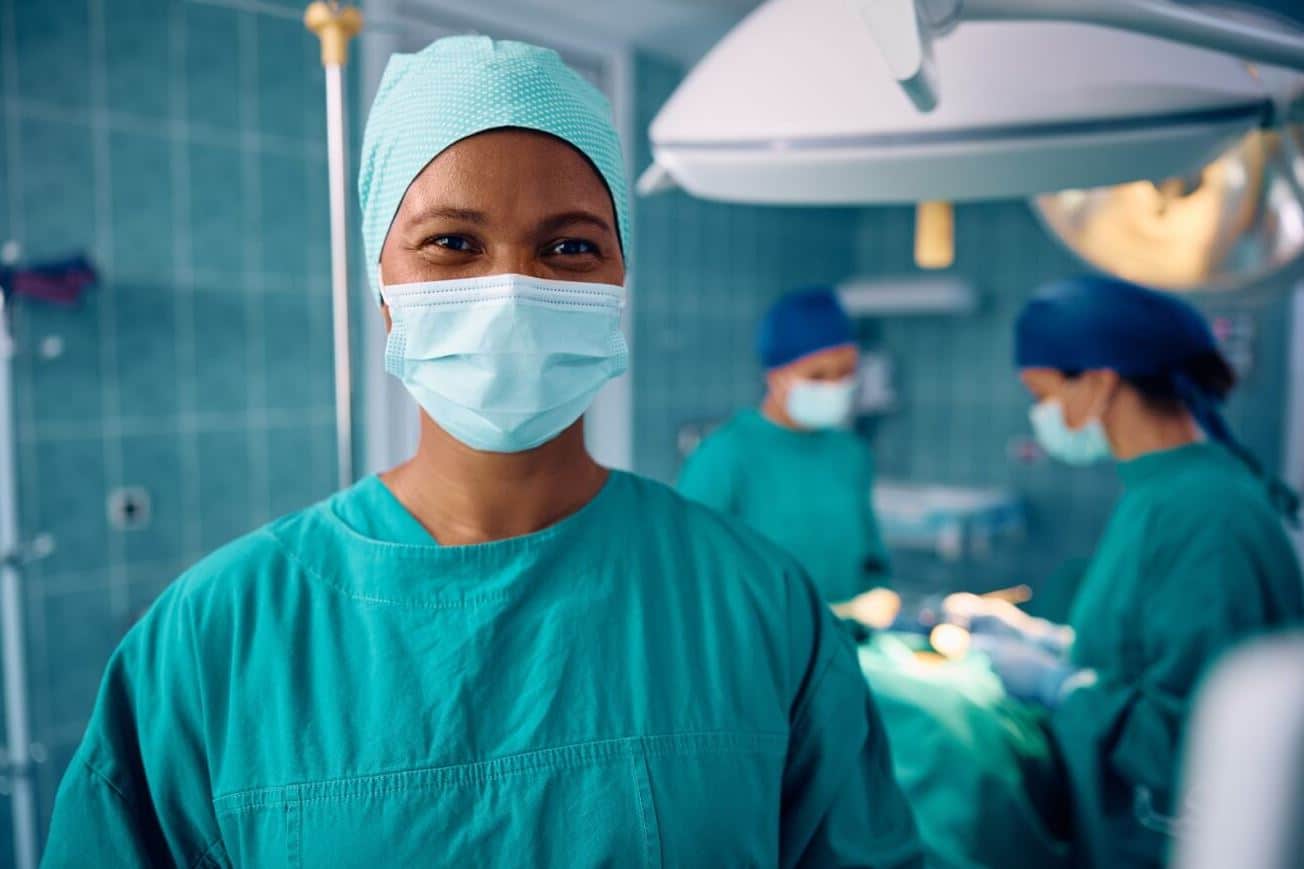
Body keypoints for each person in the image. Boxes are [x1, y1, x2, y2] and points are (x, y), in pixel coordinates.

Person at [41, 36, 922, 867]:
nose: (511, 289)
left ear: (618, 281)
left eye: (569, 246)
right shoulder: (216, 638)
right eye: (452, 244)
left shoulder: (757, 606)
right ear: (383, 286)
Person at [948, 275, 1304, 868]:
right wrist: (1049, 644)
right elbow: (1148, 657)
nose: (1040, 414)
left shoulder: (1206, 514)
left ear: (1099, 381)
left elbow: (1199, 741)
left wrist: (1061, 687)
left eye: (1042, 393)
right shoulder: (1162, 492)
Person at [678, 288, 894, 616]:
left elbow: (871, 565)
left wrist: (872, 604)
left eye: (846, 371)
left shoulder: (851, 455)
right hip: (759, 654)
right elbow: (687, 576)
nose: (835, 385)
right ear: (776, 375)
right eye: (818, 375)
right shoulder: (725, 456)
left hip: (842, 649)